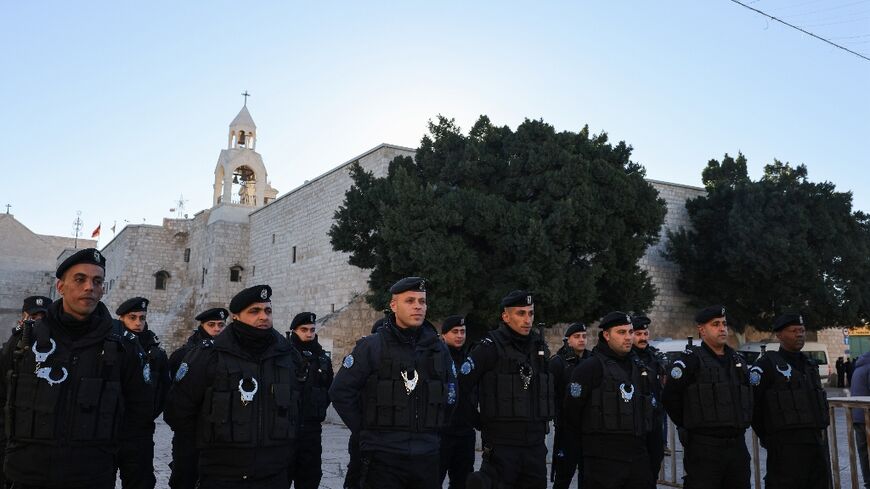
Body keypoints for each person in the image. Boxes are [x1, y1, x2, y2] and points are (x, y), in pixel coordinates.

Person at [0, 248, 151, 488]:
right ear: (60, 287)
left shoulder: (123, 347)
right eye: (80, 279)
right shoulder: (24, 343)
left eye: (97, 281)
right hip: (26, 477)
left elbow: (137, 424)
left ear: (103, 289)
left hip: (92, 478)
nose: (89, 287)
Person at [164, 285, 302, 489]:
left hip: (274, 475)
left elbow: (298, 410)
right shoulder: (209, 356)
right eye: (254, 311)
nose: (263, 317)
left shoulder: (288, 356)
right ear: (236, 316)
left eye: (268, 310)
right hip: (222, 476)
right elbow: (178, 412)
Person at [329, 277, 456, 489]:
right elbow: (341, 392)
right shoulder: (372, 346)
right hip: (383, 458)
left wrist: (435, 431)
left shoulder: (438, 348)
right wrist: (365, 431)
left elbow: (451, 394)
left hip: (427, 456)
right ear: (393, 305)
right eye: (410, 301)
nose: (417, 306)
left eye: (422, 301)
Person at [460, 290, 554, 489]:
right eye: (521, 313)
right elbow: (461, 388)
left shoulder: (539, 348)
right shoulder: (489, 347)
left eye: (530, 313)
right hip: (502, 447)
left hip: (535, 447)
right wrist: (478, 421)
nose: (527, 319)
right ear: (505, 316)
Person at [663, 305, 752, 489]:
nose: (722, 328)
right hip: (704, 446)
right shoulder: (690, 360)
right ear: (702, 330)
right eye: (715, 324)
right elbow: (670, 397)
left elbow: (750, 397)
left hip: (737, 445)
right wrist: (688, 424)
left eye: (724, 324)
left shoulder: (737, 360)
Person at [565, 312, 654, 489]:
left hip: (637, 457)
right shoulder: (590, 368)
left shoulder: (639, 367)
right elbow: (571, 412)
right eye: (621, 332)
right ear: (606, 335)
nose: (628, 337)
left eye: (630, 332)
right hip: (603, 460)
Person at [750, 313, 830, 489]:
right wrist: (767, 436)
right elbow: (753, 405)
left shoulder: (809, 365)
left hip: (815, 443)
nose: (800, 334)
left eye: (802, 330)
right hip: (784, 446)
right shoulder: (767, 365)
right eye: (794, 331)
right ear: (779, 335)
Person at [166, 307, 228, 489]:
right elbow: (175, 396)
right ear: (202, 326)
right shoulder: (184, 355)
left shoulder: (228, 354)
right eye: (212, 325)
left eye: (221, 325)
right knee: (185, 477)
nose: (217, 329)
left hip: (217, 433)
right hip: (190, 432)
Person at [115, 297, 171, 489]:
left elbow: (163, 389)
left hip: (140, 431)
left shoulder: (155, 352)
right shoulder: (112, 345)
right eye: (133, 318)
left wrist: (148, 413)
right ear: (122, 318)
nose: (138, 323)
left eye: (142, 318)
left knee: (141, 481)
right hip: (109, 430)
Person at [287, 312, 334, 489]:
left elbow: (329, 389)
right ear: (294, 331)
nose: (308, 333)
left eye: (312, 330)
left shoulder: (322, 359)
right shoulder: (283, 355)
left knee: (310, 477)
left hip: (312, 430)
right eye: (303, 329)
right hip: (285, 430)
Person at [343, 317, 387, 489]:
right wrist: (360, 426)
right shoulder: (364, 357)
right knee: (357, 472)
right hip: (365, 430)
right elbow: (343, 392)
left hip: (388, 434)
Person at [549, 322, 590, 489]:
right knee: (564, 474)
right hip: (566, 429)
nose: (581, 340)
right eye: (577, 336)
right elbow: (549, 393)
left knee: (588, 475)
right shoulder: (558, 362)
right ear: (568, 340)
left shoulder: (592, 360)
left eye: (584, 336)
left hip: (588, 428)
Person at [631, 314, 668, 484]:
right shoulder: (626, 358)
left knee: (654, 461)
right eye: (638, 334)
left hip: (653, 421)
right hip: (634, 424)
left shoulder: (653, 358)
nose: (643, 338)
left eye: (645, 334)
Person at [439, 315, 475, 489]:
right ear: (444, 336)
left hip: (465, 433)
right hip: (441, 432)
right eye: (455, 332)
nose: (460, 335)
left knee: (463, 481)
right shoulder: (437, 359)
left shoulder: (470, 359)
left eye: (463, 331)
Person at [851, 349, 870, 489]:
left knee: (864, 452)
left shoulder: (861, 365)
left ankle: (868, 481)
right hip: (867, 416)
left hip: (858, 416)